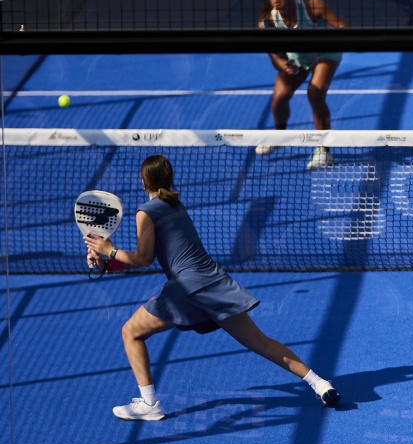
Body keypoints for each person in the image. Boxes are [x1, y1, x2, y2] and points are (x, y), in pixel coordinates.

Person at [85, 155, 341, 421]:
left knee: (131, 333)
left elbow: (143, 259)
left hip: (186, 288)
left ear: (142, 181)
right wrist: (105, 264)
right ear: (168, 177)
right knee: (260, 342)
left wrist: (108, 249)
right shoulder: (174, 204)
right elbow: (147, 257)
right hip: (214, 283)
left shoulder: (145, 212)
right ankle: (320, 384)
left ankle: (149, 404)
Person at [258, 0, 346, 170]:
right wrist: (283, 64)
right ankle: (279, 135)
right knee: (280, 96)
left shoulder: (312, 5)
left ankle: (324, 150)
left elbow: (342, 25)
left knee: (315, 93)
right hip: (297, 57)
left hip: (325, 52)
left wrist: (324, 41)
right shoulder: (267, 20)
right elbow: (273, 54)